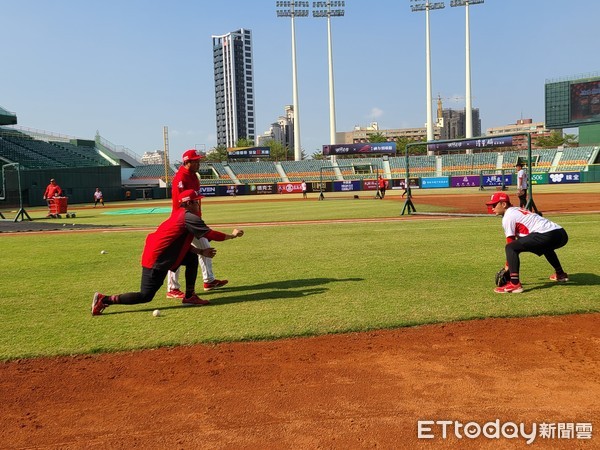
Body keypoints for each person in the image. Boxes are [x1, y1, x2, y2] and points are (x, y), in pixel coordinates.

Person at [91, 190, 244, 315]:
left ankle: (190, 296)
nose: (199, 203)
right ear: (189, 203)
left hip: (164, 253)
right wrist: (233, 235)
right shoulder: (189, 217)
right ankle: (104, 299)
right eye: (197, 201)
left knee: (191, 259)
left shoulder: (181, 215)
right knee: (146, 296)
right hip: (157, 258)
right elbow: (210, 234)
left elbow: (178, 244)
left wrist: (200, 251)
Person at [167, 149, 228, 299]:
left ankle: (209, 281)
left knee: (205, 248)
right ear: (187, 162)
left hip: (194, 219)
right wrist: (190, 222)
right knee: (178, 253)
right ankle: (172, 288)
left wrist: (198, 220)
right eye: (195, 161)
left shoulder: (194, 176)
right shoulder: (180, 178)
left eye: (198, 160)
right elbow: (183, 202)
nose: (198, 163)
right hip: (182, 221)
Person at [486, 192, 569, 294]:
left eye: (494, 205)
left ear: (503, 204)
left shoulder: (508, 216)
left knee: (510, 248)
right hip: (561, 233)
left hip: (546, 234)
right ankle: (560, 274)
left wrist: (508, 266)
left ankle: (515, 284)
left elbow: (511, 242)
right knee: (545, 247)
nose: (492, 208)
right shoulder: (516, 210)